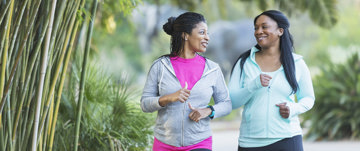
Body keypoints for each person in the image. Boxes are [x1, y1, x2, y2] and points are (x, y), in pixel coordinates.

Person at [140, 12, 232, 151]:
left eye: (207, 33)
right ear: (185, 35)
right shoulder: (160, 66)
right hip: (164, 143)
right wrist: (168, 98)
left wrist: (208, 111)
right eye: (202, 32)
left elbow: (226, 104)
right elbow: (145, 104)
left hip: (200, 142)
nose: (207, 37)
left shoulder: (212, 69)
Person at [228, 10, 315, 151]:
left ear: (280, 31)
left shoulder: (297, 62)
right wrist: (253, 85)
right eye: (256, 28)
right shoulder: (244, 62)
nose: (258, 31)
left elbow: (308, 98)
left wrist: (293, 108)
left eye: (264, 26)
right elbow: (231, 101)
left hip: (288, 138)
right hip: (250, 142)